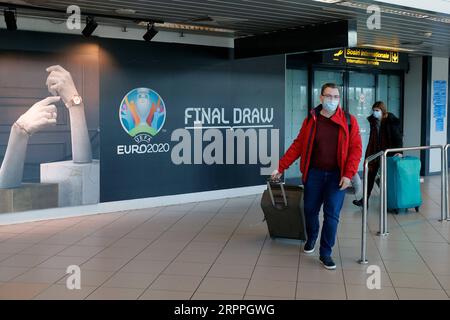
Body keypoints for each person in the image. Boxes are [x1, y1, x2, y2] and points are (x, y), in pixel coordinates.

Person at [272, 83, 362, 270]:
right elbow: (298, 145)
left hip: (337, 176)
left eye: (336, 97)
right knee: (310, 210)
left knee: (332, 216)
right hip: (314, 173)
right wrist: (281, 167)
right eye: (329, 96)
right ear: (321, 98)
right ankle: (312, 236)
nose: (333, 100)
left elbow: (356, 150)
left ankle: (326, 253)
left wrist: (348, 174)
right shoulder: (311, 119)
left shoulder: (349, 120)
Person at [353, 101, 403, 207]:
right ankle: (364, 200)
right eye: (374, 110)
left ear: (383, 111)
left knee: (388, 177)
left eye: (377, 110)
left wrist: (399, 152)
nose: (375, 113)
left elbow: (398, 137)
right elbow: (373, 138)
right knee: (370, 175)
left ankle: (391, 200)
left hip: (388, 154)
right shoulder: (373, 121)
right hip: (375, 152)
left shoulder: (391, 121)